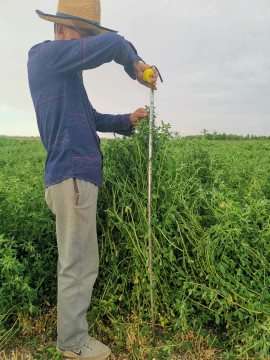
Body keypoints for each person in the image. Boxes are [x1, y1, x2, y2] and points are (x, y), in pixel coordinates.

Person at [27, 0, 159, 359]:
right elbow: (112, 46)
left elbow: (91, 116)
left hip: (72, 176)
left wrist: (125, 121)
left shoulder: (65, 76)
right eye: (81, 37)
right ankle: (71, 342)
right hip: (71, 176)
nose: (83, 46)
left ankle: (71, 336)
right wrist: (135, 64)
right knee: (79, 263)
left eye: (87, 38)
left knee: (78, 259)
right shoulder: (43, 56)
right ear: (60, 30)